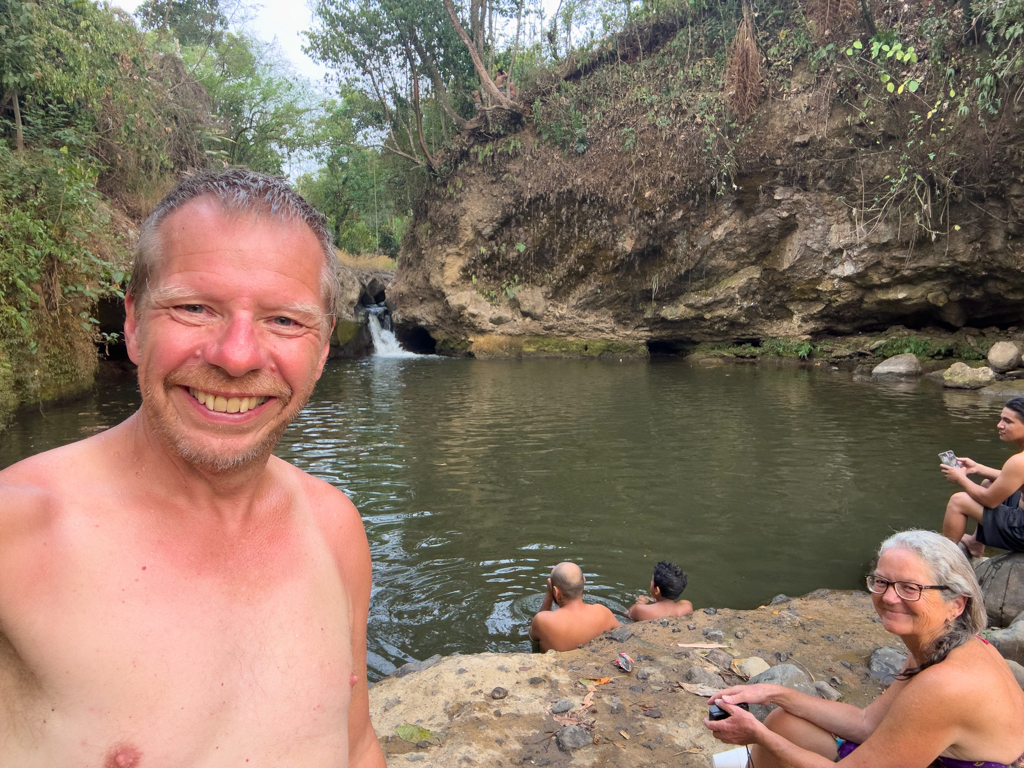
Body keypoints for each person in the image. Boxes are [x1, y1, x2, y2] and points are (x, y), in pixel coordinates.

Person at [0, 170, 386, 767]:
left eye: (284, 320)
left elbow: (358, 747)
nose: (236, 356)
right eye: (194, 307)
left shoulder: (334, 528)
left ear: (325, 345)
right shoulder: (17, 530)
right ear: (132, 324)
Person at [704, 530, 1024, 768]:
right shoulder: (941, 647)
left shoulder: (945, 685)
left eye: (910, 588)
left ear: (956, 603)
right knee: (783, 722)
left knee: (772, 738)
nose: (888, 597)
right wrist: (774, 693)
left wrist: (758, 735)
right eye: (882, 582)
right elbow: (867, 722)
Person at [941, 397, 1024, 555]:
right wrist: (978, 468)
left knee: (958, 501)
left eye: (1008, 421)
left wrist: (961, 478)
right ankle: (975, 543)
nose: (999, 425)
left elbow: (989, 501)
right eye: (1001, 419)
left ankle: (945, 561)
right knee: (989, 482)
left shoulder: (1019, 461)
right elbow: (1015, 479)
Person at [529, 561, 620, 652]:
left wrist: (549, 594)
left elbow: (533, 635)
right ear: (584, 581)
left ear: (556, 591)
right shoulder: (604, 613)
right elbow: (624, 631)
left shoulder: (542, 621)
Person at [627, 560, 693, 621]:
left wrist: (640, 602)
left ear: (657, 590)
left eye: (652, 581)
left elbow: (627, 614)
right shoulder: (687, 607)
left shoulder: (639, 609)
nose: (651, 582)